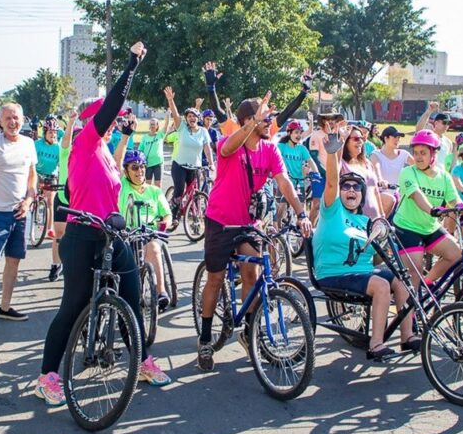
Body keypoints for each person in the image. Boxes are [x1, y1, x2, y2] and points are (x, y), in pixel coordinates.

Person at [36, 42, 171, 407]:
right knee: (73, 304)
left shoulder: (109, 157)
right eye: (111, 120)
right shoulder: (83, 142)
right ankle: (48, 376)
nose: (115, 123)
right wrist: (131, 67)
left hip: (112, 235)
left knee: (130, 296)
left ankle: (142, 361)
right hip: (81, 235)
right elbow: (111, 104)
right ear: (97, 121)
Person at [197, 86, 312, 372]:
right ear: (248, 121)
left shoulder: (270, 148)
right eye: (264, 118)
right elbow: (227, 148)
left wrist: (301, 213)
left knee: (253, 272)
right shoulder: (229, 143)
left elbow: (284, 182)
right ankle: (205, 337)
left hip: (247, 223)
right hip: (221, 221)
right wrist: (249, 125)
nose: (270, 123)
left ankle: (249, 332)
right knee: (215, 278)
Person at [313, 124, 413, 358]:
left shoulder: (364, 221)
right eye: (346, 187)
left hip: (363, 272)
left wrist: (386, 238)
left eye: (356, 187)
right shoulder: (332, 211)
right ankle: (376, 345)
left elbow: (377, 253)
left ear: (361, 194)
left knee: (402, 278)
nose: (351, 190)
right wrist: (332, 152)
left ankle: (408, 336)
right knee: (381, 285)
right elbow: (331, 183)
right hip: (334, 273)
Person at [390, 129, 461, 346]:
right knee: (414, 270)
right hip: (407, 227)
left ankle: (426, 286)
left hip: (430, 227)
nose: (419, 156)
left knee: (456, 253)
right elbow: (416, 196)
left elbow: (454, 201)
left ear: (433, 155)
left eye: (423, 152)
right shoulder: (408, 173)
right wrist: (432, 210)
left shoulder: (444, 176)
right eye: (416, 152)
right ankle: (408, 326)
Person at [0, 103, 36, 331]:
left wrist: (29, 200)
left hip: (20, 213)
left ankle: (5, 307)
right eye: (8, 118)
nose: (13, 122)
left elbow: (32, 176)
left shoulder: (29, 144)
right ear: (0, 121)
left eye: (17, 118)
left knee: (14, 260)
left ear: (23, 120)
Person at [115, 144, 173, 310]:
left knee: (154, 248)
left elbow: (167, 215)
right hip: (126, 233)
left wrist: (165, 224)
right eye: (134, 167)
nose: (140, 171)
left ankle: (161, 292)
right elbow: (117, 161)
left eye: (142, 166)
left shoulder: (155, 191)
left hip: (150, 232)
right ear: (126, 171)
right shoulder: (122, 186)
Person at [164, 89, 214, 228]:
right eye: (189, 116)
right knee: (179, 190)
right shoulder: (182, 128)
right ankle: (173, 215)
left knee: (194, 192)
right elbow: (174, 113)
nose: (191, 118)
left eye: (194, 116)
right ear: (186, 119)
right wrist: (170, 100)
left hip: (194, 167)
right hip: (179, 165)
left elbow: (207, 149)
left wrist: (211, 164)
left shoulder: (203, 132)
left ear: (198, 118)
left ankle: (193, 215)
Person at [47, 111, 80, 282]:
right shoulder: (65, 151)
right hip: (62, 198)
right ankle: (56, 264)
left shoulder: (87, 155)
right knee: (59, 234)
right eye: (75, 137)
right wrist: (71, 123)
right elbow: (66, 140)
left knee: (76, 237)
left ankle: (73, 266)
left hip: (79, 202)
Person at [340, 124, 387, 221]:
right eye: (356, 139)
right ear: (346, 142)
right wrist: (341, 139)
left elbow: (375, 191)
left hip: (374, 220)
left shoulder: (367, 163)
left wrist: (382, 215)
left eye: (362, 138)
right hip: (353, 221)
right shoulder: (342, 164)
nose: (361, 141)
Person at [369, 125, 412, 217]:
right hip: (380, 195)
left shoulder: (404, 154)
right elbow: (376, 167)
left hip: (398, 195)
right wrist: (380, 180)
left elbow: (418, 166)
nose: (398, 140)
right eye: (395, 137)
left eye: (399, 137)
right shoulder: (375, 154)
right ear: (386, 138)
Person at [34, 117, 61, 238]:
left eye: (55, 132)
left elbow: (62, 165)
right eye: (50, 132)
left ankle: (50, 228)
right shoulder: (37, 144)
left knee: (50, 202)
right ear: (45, 133)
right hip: (37, 173)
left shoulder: (58, 148)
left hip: (51, 175)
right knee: (33, 195)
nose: (53, 135)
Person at [416, 103, 455, 171]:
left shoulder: (448, 142)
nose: (446, 126)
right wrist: (429, 111)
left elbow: (448, 162)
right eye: (444, 123)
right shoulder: (429, 136)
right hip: (427, 175)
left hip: (441, 177)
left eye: (448, 123)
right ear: (436, 123)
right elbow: (418, 129)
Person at [136, 115, 171, 188]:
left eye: (154, 124)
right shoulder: (145, 137)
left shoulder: (160, 135)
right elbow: (140, 150)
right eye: (151, 124)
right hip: (148, 164)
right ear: (149, 126)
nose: (152, 126)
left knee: (158, 185)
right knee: (147, 185)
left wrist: (168, 114)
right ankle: (148, 199)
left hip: (158, 163)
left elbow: (166, 125)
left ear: (157, 126)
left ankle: (157, 199)